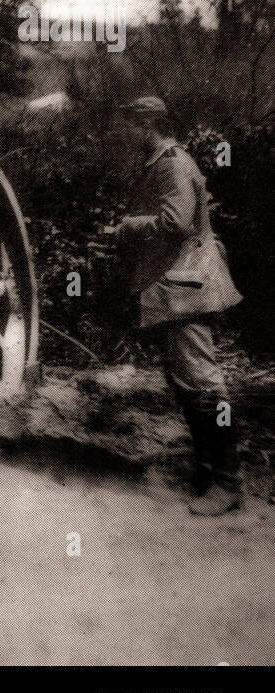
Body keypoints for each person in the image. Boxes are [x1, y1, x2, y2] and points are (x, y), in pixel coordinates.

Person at [112, 96, 243, 514]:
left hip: (187, 287)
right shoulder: (162, 164)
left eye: (132, 126)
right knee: (188, 385)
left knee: (204, 384)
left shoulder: (172, 164)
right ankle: (208, 471)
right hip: (176, 287)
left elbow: (176, 223)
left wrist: (129, 226)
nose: (127, 134)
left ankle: (228, 481)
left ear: (148, 125)